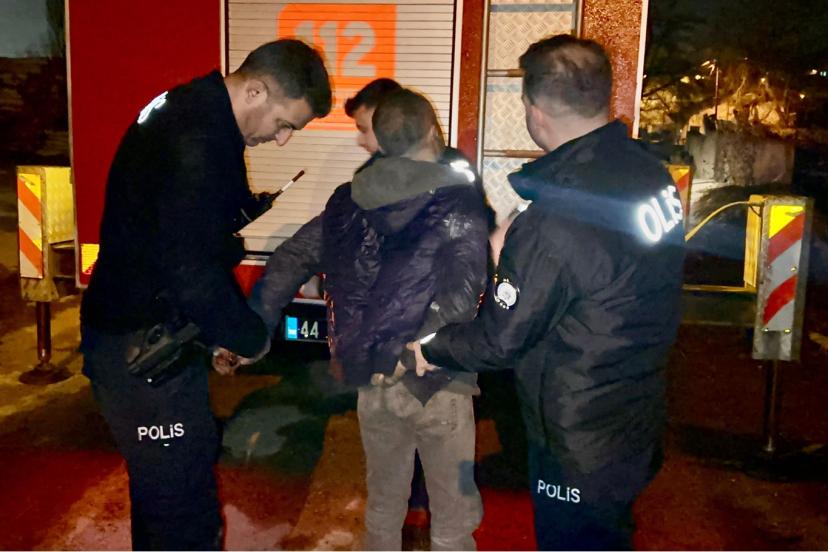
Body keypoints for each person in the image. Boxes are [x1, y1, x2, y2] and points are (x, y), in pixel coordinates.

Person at [409, 35, 686, 550]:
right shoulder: (651, 173)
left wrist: (430, 345)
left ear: (534, 111)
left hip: (575, 433)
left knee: (575, 540)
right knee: (609, 535)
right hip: (634, 410)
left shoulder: (555, 219)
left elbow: (500, 341)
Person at [79, 39, 331, 550]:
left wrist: (215, 329)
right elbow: (191, 272)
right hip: (143, 354)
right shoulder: (198, 142)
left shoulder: (190, 110)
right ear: (256, 90)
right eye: (285, 123)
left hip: (140, 337)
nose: (282, 139)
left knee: (163, 497)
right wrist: (248, 337)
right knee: (184, 514)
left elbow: (180, 242)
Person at [249, 87, 488, 550]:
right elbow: (462, 294)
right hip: (438, 382)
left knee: (382, 504)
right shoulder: (457, 200)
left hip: (373, 381)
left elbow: (293, 256)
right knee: (453, 517)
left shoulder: (347, 199)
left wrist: (256, 322)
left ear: (382, 140)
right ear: (429, 133)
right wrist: (412, 352)